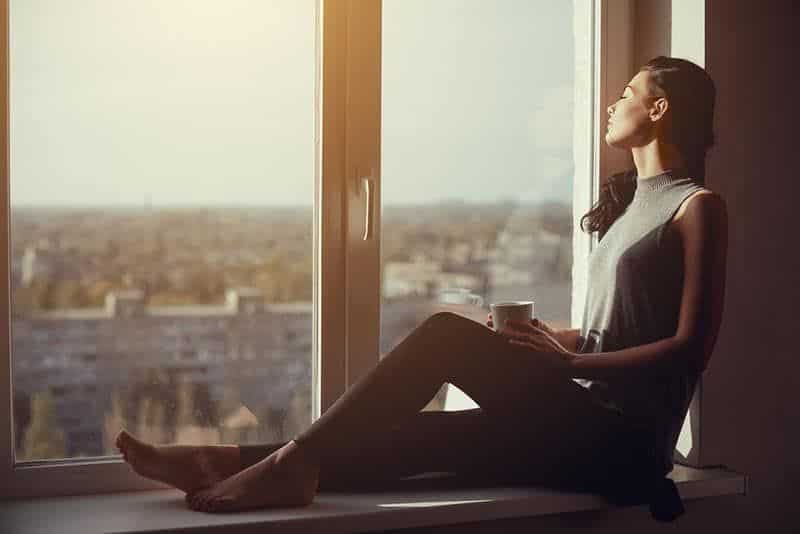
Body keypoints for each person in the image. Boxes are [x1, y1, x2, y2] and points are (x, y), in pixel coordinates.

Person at [115, 56, 727, 519]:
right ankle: (220, 461)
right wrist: (546, 341)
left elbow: (690, 348)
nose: (613, 104)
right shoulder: (627, 208)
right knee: (414, 439)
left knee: (443, 336)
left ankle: (284, 465)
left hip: (625, 447)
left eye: (627, 95)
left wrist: (568, 364)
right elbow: (610, 333)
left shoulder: (697, 206)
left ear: (659, 109)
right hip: (580, 423)